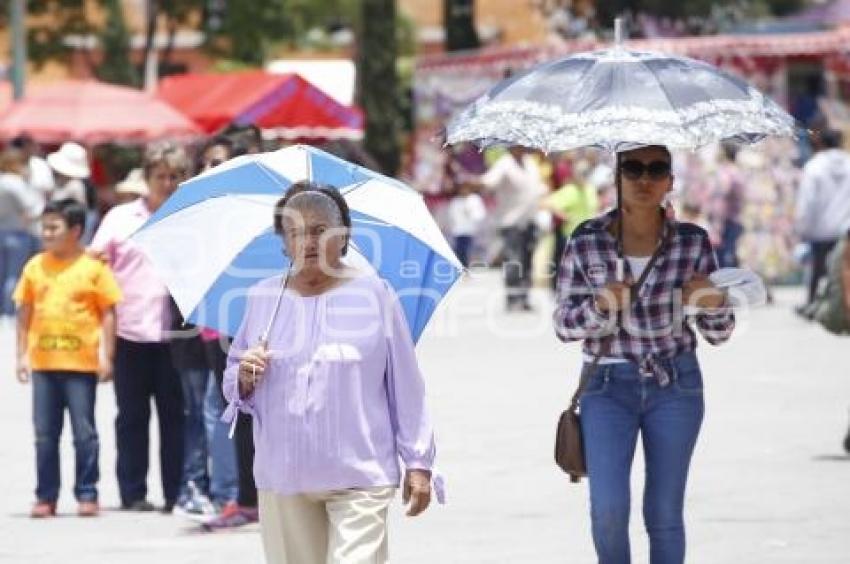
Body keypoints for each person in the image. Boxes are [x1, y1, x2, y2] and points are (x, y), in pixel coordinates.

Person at [222, 181, 440, 563]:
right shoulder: (264, 298)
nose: (307, 242)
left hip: (360, 474)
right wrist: (244, 375)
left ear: (343, 237)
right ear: (284, 243)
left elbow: (405, 386)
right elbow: (233, 383)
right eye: (294, 232)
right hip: (284, 476)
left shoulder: (375, 295)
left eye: (319, 230)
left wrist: (418, 462)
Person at [553, 145, 736, 564]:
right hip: (606, 386)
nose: (643, 179)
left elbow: (720, 333)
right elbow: (563, 325)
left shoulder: (692, 242)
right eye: (632, 168)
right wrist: (598, 306)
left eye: (656, 170)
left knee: (665, 513)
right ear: (616, 179)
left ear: (670, 182)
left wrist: (713, 305)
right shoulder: (586, 240)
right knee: (608, 511)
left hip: (676, 385)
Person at [89, 142, 188, 512]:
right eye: (160, 176)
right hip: (129, 331)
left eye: (174, 176)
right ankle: (133, 493)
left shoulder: (190, 218)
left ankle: (175, 493)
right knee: (131, 417)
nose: (166, 182)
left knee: (174, 418)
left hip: (176, 334)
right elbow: (95, 265)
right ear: (146, 179)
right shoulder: (118, 218)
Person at [14, 198, 121, 518]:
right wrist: (20, 356)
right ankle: (45, 496)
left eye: (53, 227)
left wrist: (107, 355)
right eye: (44, 227)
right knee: (45, 435)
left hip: (81, 365)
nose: (46, 233)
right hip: (44, 364)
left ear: (75, 230)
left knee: (84, 433)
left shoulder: (94, 267)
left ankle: (87, 492)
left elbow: (108, 313)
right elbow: (24, 311)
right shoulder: (34, 266)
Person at [480, 147, 548, 311]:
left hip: (530, 220)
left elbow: (539, 188)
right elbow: (488, 182)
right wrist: (471, 181)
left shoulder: (530, 163)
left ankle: (524, 297)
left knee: (527, 261)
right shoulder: (504, 164)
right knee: (514, 261)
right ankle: (513, 298)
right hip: (511, 222)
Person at [794, 128, 850, 318]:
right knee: (845, 268)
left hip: (820, 229)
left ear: (821, 144)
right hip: (845, 228)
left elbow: (807, 201)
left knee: (817, 270)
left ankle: (811, 305)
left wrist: (803, 227)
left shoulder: (814, 166)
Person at [544, 158, 600, 290]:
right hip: (570, 235)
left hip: (588, 236)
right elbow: (547, 203)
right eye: (581, 173)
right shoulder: (569, 190)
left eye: (586, 173)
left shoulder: (590, 189)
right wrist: (564, 216)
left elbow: (595, 207)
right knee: (566, 267)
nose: (584, 176)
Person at [0, 148, 43, 317]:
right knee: (13, 276)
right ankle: (8, 313)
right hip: (17, 233)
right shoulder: (16, 183)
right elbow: (34, 209)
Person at [447, 180, 486, 267]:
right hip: (458, 230)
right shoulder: (456, 201)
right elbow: (452, 215)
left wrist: (471, 213)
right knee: (459, 250)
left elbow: (480, 214)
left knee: (468, 250)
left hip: (470, 230)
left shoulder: (475, 199)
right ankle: (461, 267)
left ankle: (467, 266)